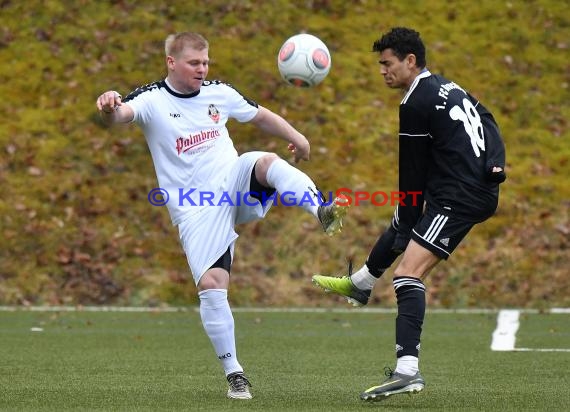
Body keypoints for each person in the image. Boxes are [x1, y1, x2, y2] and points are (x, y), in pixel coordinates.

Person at [95, 32, 347, 400]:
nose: (202, 69)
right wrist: (108, 105)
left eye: (206, 62)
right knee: (213, 286)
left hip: (232, 182)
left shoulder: (219, 93)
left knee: (264, 162)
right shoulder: (151, 99)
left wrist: (299, 137)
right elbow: (121, 114)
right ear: (172, 63)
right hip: (194, 207)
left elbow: (260, 116)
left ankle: (320, 209)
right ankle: (235, 375)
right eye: (194, 63)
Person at [312, 27, 506, 401]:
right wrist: (496, 163)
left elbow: (411, 171)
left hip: (461, 195)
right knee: (404, 219)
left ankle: (407, 372)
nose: (383, 71)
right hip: (462, 185)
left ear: (410, 61)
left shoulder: (414, 103)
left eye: (387, 64)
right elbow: (487, 117)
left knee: (407, 273)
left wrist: (407, 221)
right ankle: (362, 283)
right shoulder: (447, 86)